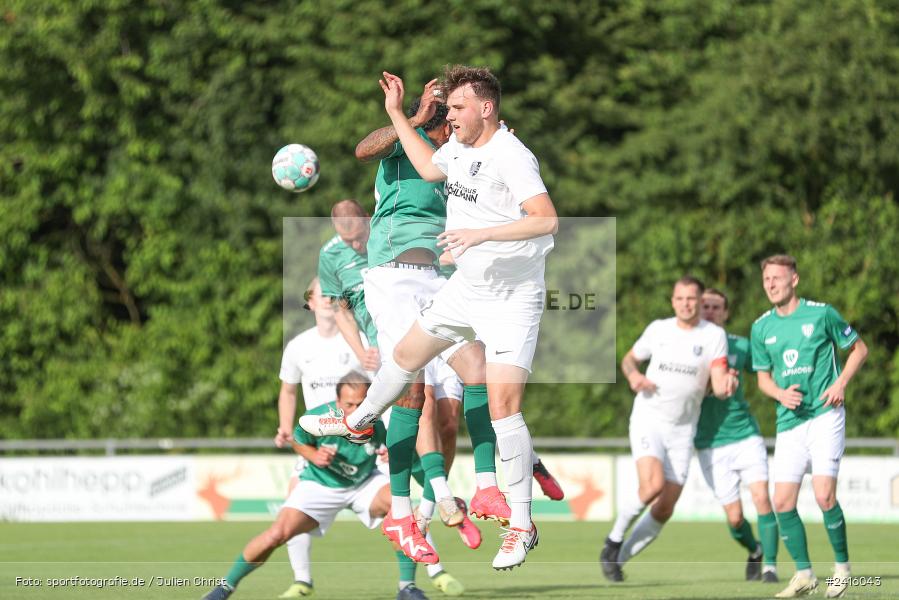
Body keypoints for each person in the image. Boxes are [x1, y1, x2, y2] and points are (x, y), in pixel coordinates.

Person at [303, 65, 558, 570]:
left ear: (485, 108)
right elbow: (425, 166)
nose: (451, 116)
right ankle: (357, 420)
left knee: (504, 405)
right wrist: (399, 114)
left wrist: (480, 236)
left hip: (511, 297)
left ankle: (522, 526)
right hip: (465, 288)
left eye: (458, 107)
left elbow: (546, 218)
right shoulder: (460, 148)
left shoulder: (511, 154)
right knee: (405, 357)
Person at [202, 373, 433, 600]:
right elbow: (298, 439)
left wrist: (390, 454)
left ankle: (407, 587)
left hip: (363, 483)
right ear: (337, 402)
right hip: (319, 484)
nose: (355, 410)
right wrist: (313, 455)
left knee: (402, 511)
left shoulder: (375, 421)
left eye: (361, 404)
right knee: (276, 534)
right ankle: (225, 588)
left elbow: (399, 451)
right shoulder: (318, 417)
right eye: (349, 404)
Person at [600, 276, 737, 582]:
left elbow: (717, 381)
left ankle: (616, 560)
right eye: (680, 298)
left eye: (692, 298)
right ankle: (613, 540)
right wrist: (634, 376)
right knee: (652, 487)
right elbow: (628, 361)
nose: (686, 304)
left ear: (700, 301)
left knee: (664, 508)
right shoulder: (659, 329)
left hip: (683, 430)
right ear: (673, 301)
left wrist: (726, 385)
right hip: (650, 419)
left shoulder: (714, 335)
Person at [749, 254, 867, 599]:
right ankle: (803, 574)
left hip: (824, 415)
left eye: (777, 278)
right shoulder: (761, 327)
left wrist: (841, 382)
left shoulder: (821, 313)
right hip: (789, 423)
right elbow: (762, 380)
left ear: (794, 280)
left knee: (823, 494)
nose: (770, 284)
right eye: (766, 279)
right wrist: (779, 393)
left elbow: (860, 349)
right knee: (782, 502)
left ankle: (842, 570)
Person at [274, 277, 365, 597]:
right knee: (292, 506)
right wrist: (286, 426)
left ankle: (427, 574)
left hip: (360, 442)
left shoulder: (359, 342)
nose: (327, 298)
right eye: (320, 293)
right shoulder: (299, 346)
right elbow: (287, 390)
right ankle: (302, 580)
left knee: (397, 506)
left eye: (332, 293)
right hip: (318, 445)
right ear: (309, 302)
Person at [696, 288, 779, 583]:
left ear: (725, 313)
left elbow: (769, 371)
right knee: (734, 518)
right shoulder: (686, 346)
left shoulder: (740, 347)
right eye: (704, 305)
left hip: (745, 434)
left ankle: (770, 566)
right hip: (708, 444)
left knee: (762, 498)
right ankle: (755, 550)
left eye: (716, 307)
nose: (709, 311)